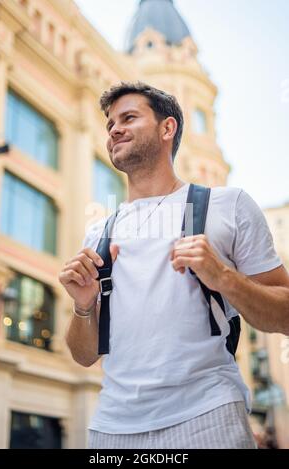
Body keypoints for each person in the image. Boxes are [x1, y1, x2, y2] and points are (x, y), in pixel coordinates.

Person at [59, 82, 289, 449]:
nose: (114, 129)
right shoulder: (98, 234)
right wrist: (84, 306)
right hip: (112, 428)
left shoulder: (228, 205)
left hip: (208, 417)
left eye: (129, 117)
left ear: (168, 128)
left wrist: (224, 278)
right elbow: (84, 356)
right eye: (110, 124)